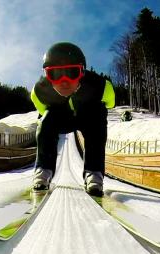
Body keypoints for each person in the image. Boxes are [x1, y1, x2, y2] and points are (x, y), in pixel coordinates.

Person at [30, 42, 115, 197]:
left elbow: (110, 103)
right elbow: (42, 110)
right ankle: (43, 170)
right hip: (61, 118)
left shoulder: (100, 86)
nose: (64, 81)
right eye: (55, 74)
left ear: (82, 72)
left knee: (98, 115)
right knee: (46, 121)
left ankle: (94, 173)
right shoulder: (39, 92)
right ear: (47, 76)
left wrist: (92, 107)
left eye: (72, 73)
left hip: (87, 117)